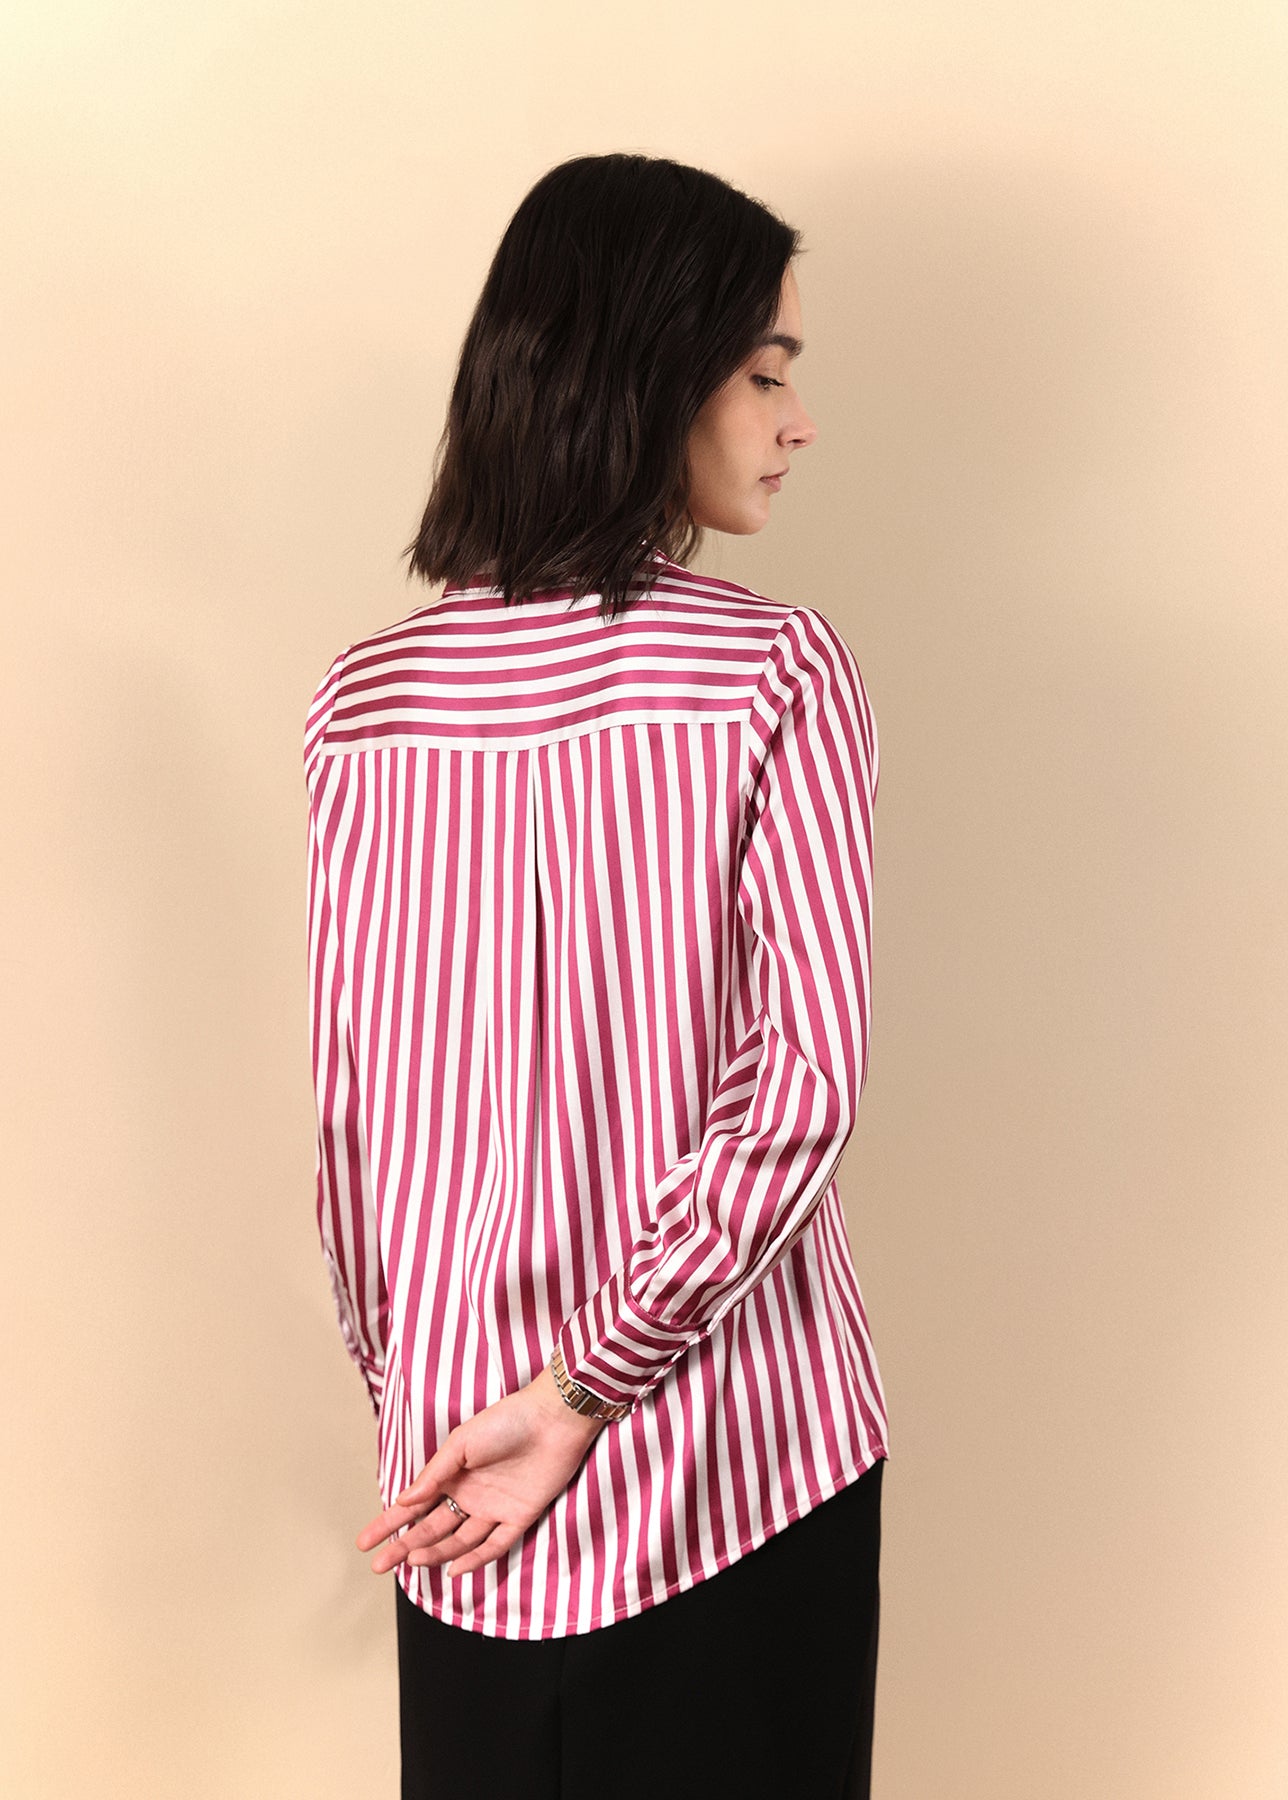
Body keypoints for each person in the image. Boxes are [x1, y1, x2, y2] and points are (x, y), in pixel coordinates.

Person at [304, 151, 888, 1799]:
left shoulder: (366, 700)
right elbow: (799, 1087)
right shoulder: (771, 669)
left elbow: (355, 1125)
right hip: (737, 1458)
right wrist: (587, 1386)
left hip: (460, 1474)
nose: (797, 422)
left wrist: (428, 1399)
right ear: (651, 371)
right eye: (764, 371)